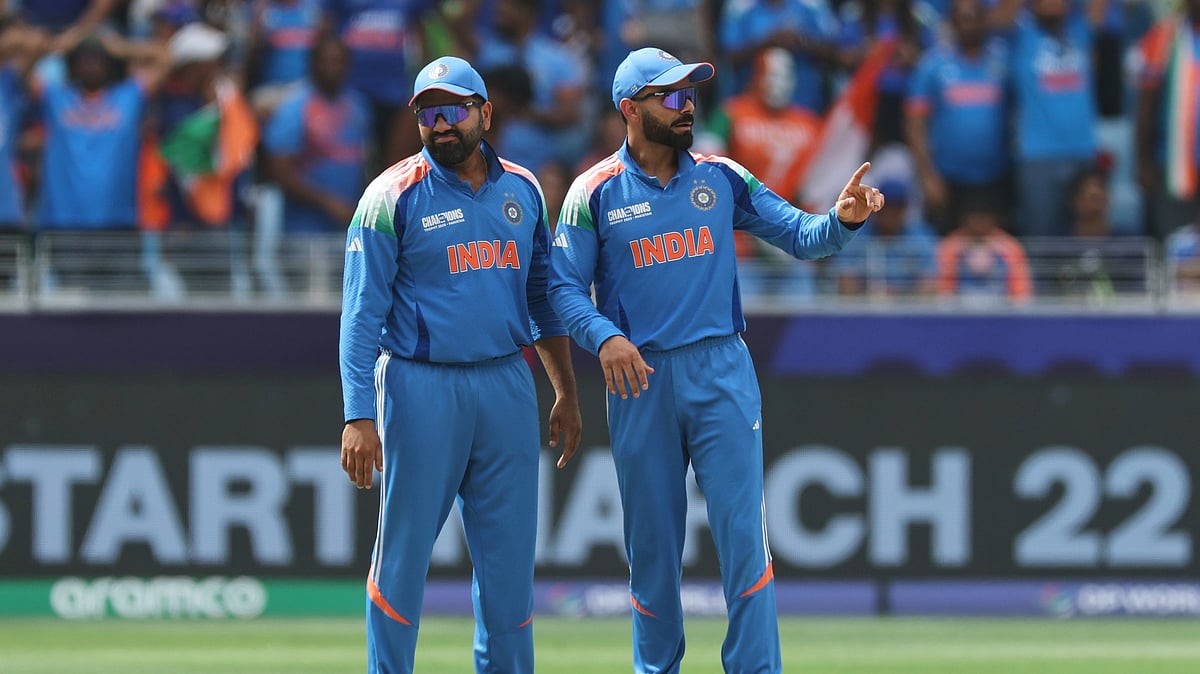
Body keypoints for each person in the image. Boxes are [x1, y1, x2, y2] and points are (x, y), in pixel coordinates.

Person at [548, 47, 883, 673]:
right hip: (638, 379)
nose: (687, 106)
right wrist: (603, 336)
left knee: (743, 544)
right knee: (652, 553)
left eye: (690, 93)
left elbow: (802, 237)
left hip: (720, 371)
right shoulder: (592, 192)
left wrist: (841, 220)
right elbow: (562, 286)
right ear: (629, 109)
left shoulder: (722, 176)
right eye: (670, 97)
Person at [338, 55, 581, 674]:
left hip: (506, 384)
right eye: (428, 113)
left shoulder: (524, 190)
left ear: (486, 113)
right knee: (402, 560)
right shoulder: (389, 196)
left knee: (507, 570)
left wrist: (565, 392)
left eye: (454, 111)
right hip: (421, 386)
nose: (441, 125)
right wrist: (357, 415)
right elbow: (360, 317)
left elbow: (542, 301)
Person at [905, 0, 1010, 236]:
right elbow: (915, 124)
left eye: (974, 18)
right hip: (946, 179)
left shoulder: (1002, 60)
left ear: (984, 21)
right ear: (952, 23)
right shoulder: (932, 65)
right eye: (963, 18)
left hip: (995, 178)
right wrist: (928, 176)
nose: (969, 25)